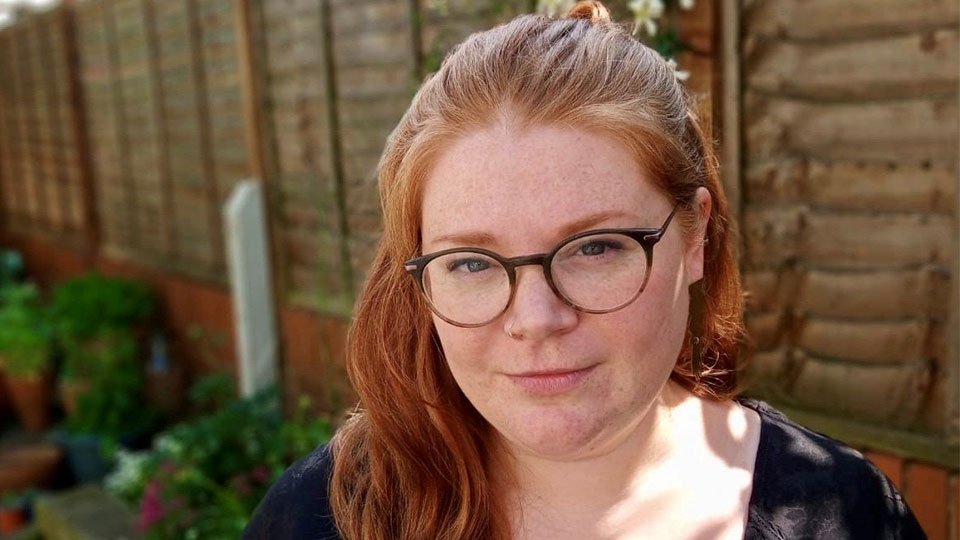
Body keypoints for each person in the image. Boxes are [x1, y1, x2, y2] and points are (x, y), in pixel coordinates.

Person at [243, 2, 925, 539]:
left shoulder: (847, 515)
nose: (536, 319)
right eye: (472, 262)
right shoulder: (321, 519)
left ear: (695, 237)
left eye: (595, 248)